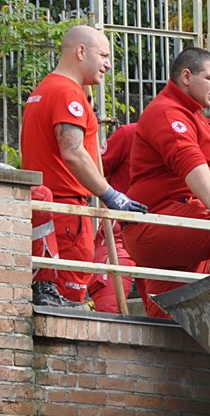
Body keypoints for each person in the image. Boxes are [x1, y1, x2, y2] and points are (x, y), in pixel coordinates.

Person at [122, 47, 210, 318]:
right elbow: (189, 161)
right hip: (160, 221)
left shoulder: (192, 115)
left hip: (181, 222)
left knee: (170, 316)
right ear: (186, 76)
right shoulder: (167, 111)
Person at [20, 25, 146, 308]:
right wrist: (111, 195)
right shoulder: (67, 93)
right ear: (81, 51)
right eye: (103, 55)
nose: (108, 64)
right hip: (66, 215)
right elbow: (74, 153)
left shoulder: (44, 90)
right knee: (67, 303)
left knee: (53, 300)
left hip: (52, 210)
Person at [87, 117, 140, 312]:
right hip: (119, 232)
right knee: (108, 308)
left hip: (160, 234)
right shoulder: (129, 134)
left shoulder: (188, 141)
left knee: (165, 316)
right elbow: (92, 170)